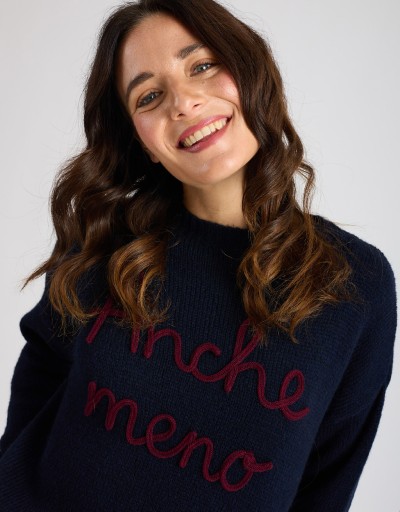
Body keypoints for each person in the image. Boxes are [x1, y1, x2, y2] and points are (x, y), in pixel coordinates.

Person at [0, 0, 396, 510]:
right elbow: (38, 381)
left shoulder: (353, 282)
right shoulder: (106, 248)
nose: (183, 103)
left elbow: (328, 482)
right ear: (143, 142)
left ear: (247, 71)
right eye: (149, 96)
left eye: (202, 65)